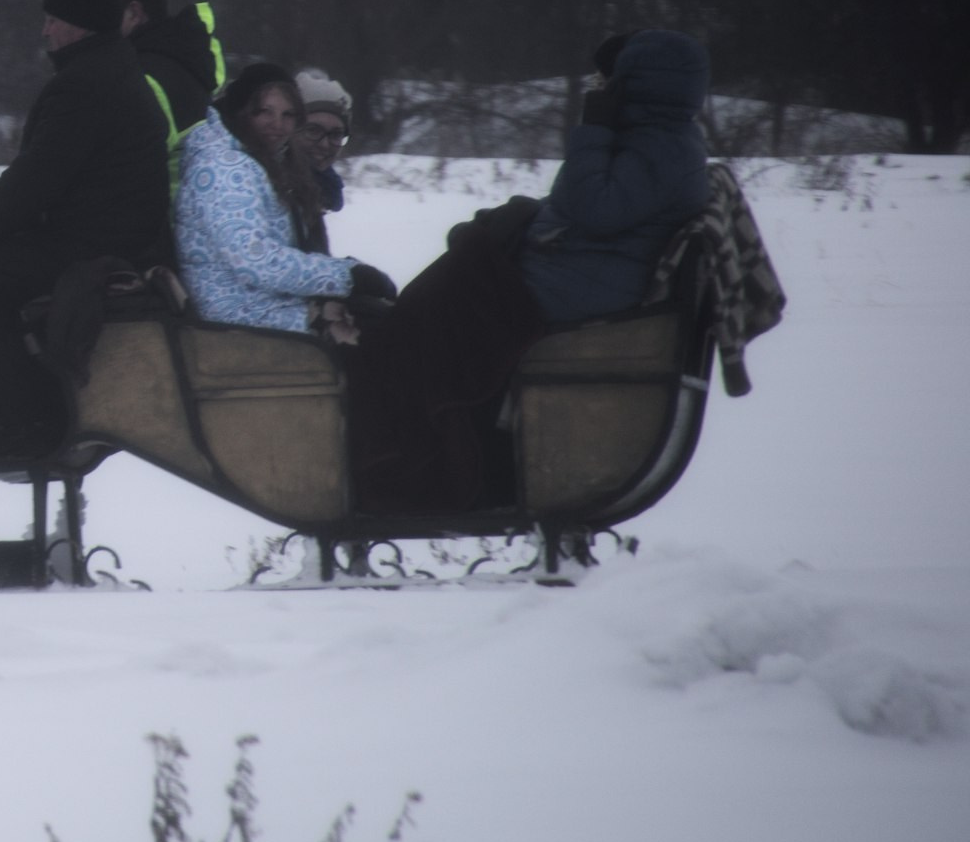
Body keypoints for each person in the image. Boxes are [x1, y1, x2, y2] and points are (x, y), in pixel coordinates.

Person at [348, 29, 715, 512]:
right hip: (580, 274)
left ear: (638, 83)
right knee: (458, 273)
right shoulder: (660, 141)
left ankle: (415, 458)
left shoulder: (660, 146)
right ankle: (436, 432)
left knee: (435, 308)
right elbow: (586, 208)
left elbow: (591, 207)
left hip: (579, 289)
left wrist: (594, 127)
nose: (600, 86)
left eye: (608, 78)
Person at [0, 0, 174, 455]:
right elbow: (45, 185)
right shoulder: (113, 71)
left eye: (53, 20)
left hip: (92, 251)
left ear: (81, 24)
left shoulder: (86, 85)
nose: (45, 30)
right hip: (107, 240)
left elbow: (32, 184)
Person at [175, 62, 390, 335]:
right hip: (237, 313)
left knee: (380, 316)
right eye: (265, 111)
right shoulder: (226, 168)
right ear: (241, 110)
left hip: (265, 301)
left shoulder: (263, 161)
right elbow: (256, 261)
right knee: (373, 333)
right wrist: (347, 276)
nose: (277, 125)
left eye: (288, 114)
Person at [94, 0, 226, 189]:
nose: (91, 26)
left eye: (99, 13)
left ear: (134, 14)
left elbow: (117, 179)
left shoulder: (144, 81)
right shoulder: (186, 57)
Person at [292, 69, 353, 214]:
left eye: (336, 135)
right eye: (313, 131)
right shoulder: (263, 187)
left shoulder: (326, 190)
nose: (324, 144)